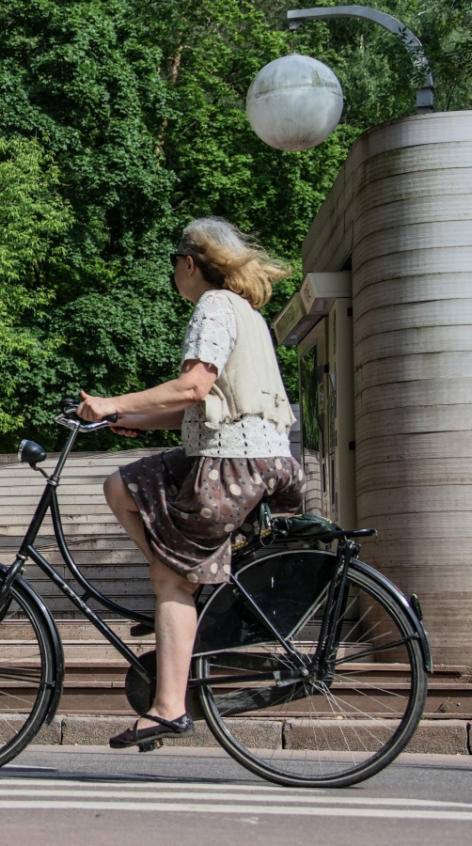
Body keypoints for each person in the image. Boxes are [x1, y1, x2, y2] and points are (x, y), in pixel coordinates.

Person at [77, 217, 304, 749]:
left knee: (172, 580)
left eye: (174, 264)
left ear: (188, 263)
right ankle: (182, 579)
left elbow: (193, 385)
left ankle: (168, 707)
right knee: (120, 487)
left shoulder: (214, 305)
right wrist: (128, 418)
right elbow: (202, 405)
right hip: (262, 461)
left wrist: (111, 402)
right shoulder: (247, 313)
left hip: (232, 465)